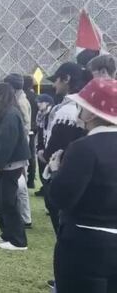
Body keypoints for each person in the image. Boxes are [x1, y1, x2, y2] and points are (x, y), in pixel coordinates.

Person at [49, 78, 117, 293]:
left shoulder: (83, 148)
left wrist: (55, 171)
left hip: (85, 243)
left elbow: (62, 197)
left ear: (92, 113)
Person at [42, 63, 90, 233]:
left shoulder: (69, 110)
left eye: (57, 80)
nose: (54, 85)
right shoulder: (73, 107)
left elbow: (58, 145)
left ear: (67, 79)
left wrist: (45, 154)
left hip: (63, 170)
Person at [0, 83, 31, 251]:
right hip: (6, 164)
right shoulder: (4, 113)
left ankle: (19, 241)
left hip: (10, 164)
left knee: (9, 202)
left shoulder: (11, 115)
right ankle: (7, 233)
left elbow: (7, 144)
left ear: (2, 96)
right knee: (3, 201)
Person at [3, 74, 33, 228]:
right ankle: (23, 215)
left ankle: (25, 217)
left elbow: (25, 126)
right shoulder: (19, 100)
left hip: (19, 146)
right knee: (19, 182)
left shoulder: (20, 102)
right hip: (19, 144)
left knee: (20, 182)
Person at [34, 94, 54, 197]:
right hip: (41, 143)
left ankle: (48, 191)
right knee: (41, 169)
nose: (38, 104)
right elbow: (39, 130)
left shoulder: (53, 113)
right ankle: (44, 188)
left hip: (49, 144)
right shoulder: (40, 114)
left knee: (48, 170)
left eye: (40, 102)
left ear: (47, 103)